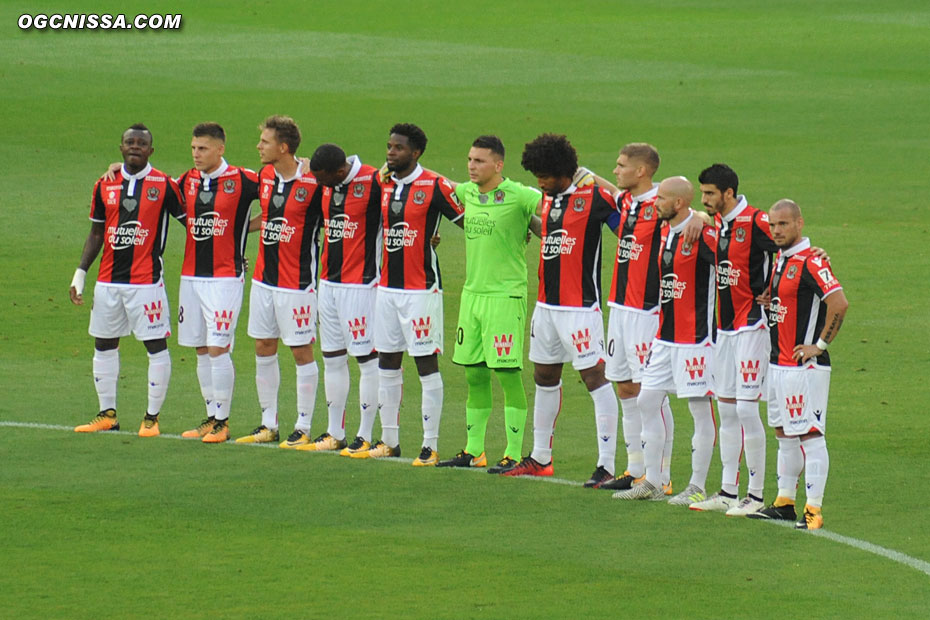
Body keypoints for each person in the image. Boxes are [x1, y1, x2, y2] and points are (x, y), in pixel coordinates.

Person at [502, 133, 620, 486]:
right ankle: (540, 457)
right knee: (544, 376)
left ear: (565, 171)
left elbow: (627, 227)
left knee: (595, 379)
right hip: (546, 306)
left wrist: (592, 175)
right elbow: (553, 234)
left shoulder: (595, 197)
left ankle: (607, 464)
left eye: (546, 175)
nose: (540, 182)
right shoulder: (547, 199)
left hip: (580, 307)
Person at [357, 123, 464, 463]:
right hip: (387, 288)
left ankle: (430, 445)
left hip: (421, 290)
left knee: (425, 363)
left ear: (415, 153)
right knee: (387, 360)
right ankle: (389, 440)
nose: (390, 152)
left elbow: (469, 220)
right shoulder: (383, 182)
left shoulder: (434, 185)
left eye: (398, 148)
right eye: (389, 146)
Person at [601, 144, 702, 503]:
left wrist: (700, 218)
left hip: (648, 312)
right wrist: (585, 174)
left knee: (651, 394)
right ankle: (636, 469)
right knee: (626, 388)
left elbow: (693, 213)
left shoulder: (662, 207)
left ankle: (662, 476)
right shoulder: (626, 202)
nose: (615, 170)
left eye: (621, 165)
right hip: (620, 307)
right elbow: (609, 191)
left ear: (641, 171)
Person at [436, 135, 543, 474]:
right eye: (469, 159)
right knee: (474, 375)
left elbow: (554, 209)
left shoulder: (520, 195)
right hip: (472, 297)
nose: (471, 166)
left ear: (498, 165)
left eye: (479, 161)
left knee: (508, 374)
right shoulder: (468, 192)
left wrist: (536, 227)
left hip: (504, 297)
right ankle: (474, 450)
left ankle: (513, 453)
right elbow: (440, 184)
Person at [70, 123, 184, 437]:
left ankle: (151, 417)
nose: (134, 146)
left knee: (155, 345)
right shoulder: (103, 184)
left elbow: (191, 221)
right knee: (104, 344)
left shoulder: (164, 184)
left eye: (141, 143)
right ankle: (107, 414)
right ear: (121, 148)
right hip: (107, 283)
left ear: (151, 150)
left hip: (146, 284)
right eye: (129, 142)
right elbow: (96, 233)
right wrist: (81, 273)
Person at [614, 176, 718, 501]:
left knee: (700, 408)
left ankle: (698, 487)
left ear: (678, 203)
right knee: (646, 400)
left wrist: (703, 220)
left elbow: (735, 263)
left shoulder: (704, 236)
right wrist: (700, 216)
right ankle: (654, 482)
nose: (654, 203)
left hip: (697, 338)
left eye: (660, 199)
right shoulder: (664, 229)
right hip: (665, 335)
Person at [747, 199, 847, 530]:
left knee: (810, 435)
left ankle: (813, 510)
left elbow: (838, 303)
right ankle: (785, 502)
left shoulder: (812, 262)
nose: (776, 230)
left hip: (804, 368)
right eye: (773, 225)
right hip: (778, 365)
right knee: (785, 433)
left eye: (783, 225)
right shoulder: (782, 259)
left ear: (799, 224)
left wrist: (819, 345)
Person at [688, 163, 778, 514]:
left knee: (745, 408)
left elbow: (789, 245)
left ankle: (755, 496)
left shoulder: (755, 221)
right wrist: (698, 213)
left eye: (710, 194)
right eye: (703, 194)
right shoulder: (719, 225)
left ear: (729, 193)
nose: (705, 199)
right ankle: (727, 491)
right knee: (726, 408)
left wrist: (773, 288)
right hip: (723, 329)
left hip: (752, 326)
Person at [235, 115, 325, 445]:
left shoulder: (315, 183)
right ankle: (267, 423)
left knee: (301, 351)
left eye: (265, 142)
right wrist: (236, 235)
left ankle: (302, 426)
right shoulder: (266, 175)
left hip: (298, 283)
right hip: (263, 279)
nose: (259, 146)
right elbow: (269, 217)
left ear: (283, 147)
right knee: (263, 346)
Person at [171, 123, 260, 443]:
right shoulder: (186, 180)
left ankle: (223, 421)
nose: (196, 154)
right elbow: (152, 190)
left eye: (203, 148)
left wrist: (243, 229)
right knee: (200, 348)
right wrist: (119, 168)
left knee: (218, 347)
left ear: (220, 149)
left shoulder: (244, 179)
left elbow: (284, 195)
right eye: (194, 148)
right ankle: (211, 417)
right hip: (191, 276)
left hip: (224, 278)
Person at [292, 143, 381, 455]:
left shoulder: (373, 181)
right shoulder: (326, 182)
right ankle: (334, 433)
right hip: (328, 284)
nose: (318, 185)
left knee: (367, 360)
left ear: (339, 172)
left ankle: (366, 434)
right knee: (331, 357)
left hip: (362, 286)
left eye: (322, 180)